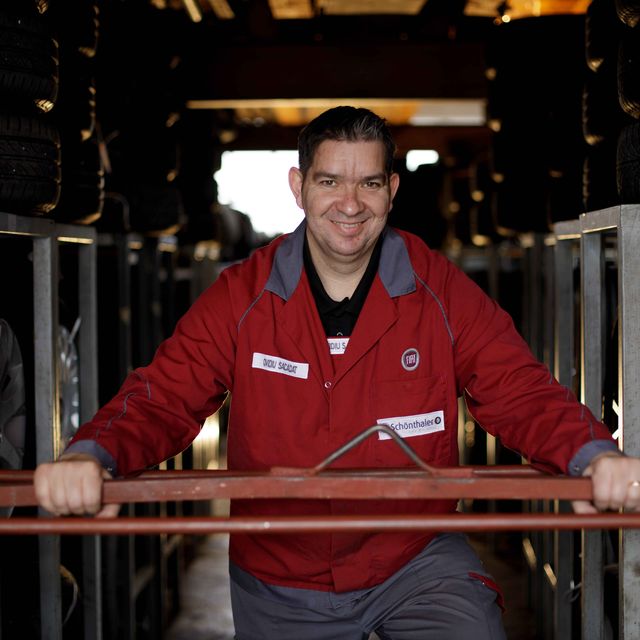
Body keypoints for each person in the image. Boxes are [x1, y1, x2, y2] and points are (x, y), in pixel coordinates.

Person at [35, 106, 640, 640]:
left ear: (392, 190)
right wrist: (93, 455)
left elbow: (519, 389)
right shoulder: (242, 297)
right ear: (298, 186)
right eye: (329, 181)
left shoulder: (440, 292)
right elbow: (164, 395)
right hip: (281, 568)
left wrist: (592, 456)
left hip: (414, 558)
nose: (350, 205)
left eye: (369, 183)